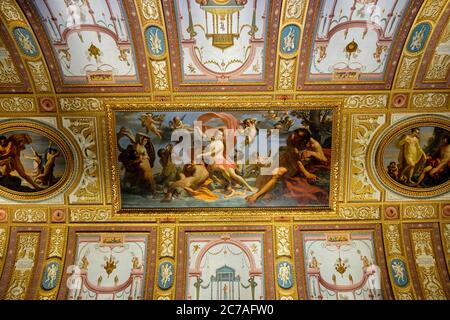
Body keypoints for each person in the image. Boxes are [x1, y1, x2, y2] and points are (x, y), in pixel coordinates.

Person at [246, 128, 329, 204]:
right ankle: (257, 195)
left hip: (303, 163)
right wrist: (306, 173)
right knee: (274, 173)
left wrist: (313, 153)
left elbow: (324, 160)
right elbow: (296, 160)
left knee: (277, 174)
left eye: (296, 138)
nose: (292, 137)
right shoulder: (292, 140)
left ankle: (256, 196)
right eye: (293, 135)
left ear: (304, 141)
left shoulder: (314, 144)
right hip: (291, 161)